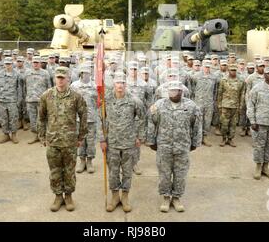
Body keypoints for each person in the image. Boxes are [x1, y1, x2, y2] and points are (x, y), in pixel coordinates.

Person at [38, 67, 88, 212]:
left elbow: (84, 116)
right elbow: (41, 118)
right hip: (53, 141)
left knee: (69, 171)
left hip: (70, 141)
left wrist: (81, 136)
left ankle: (69, 196)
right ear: (55, 79)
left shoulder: (76, 97)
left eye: (63, 77)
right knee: (55, 171)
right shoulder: (46, 96)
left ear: (68, 79)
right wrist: (42, 136)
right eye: (58, 77)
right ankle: (58, 196)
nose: (60, 80)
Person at [147, 81, 202, 213]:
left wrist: (195, 142)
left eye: (176, 91)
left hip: (182, 146)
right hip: (163, 145)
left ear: (181, 92)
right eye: (171, 91)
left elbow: (197, 125)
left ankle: (176, 197)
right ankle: (166, 197)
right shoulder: (158, 105)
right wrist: (151, 141)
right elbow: (151, 122)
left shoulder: (191, 106)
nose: (173, 93)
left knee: (180, 173)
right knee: (164, 173)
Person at [100, 72, 145, 213]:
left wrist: (139, 136)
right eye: (117, 82)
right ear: (113, 84)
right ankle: (114, 197)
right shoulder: (106, 100)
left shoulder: (134, 100)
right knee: (113, 172)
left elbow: (142, 118)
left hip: (128, 143)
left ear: (126, 84)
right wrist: (102, 139)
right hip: (112, 142)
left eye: (123, 82)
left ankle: (125, 197)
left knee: (127, 172)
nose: (120, 85)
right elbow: (100, 120)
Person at [71, 66, 98, 174]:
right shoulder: (74, 86)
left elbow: (97, 102)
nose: (86, 75)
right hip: (78, 118)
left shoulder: (94, 86)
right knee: (80, 141)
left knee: (91, 141)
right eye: (84, 73)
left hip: (91, 118)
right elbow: (71, 102)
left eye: (88, 73)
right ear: (80, 74)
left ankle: (90, 161)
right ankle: (82, 161)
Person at [24, 56, 51, 144]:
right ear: (32, 63)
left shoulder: (45, 73)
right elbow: (24, 86)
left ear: (40, 63)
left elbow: (49, 88)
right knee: (32, 119)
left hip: (41, 101)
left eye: (37, 62)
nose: (35, 64)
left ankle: (43, 136)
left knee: (42, 119)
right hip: (30, 100)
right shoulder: (27, 73)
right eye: (34, 62)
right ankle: (35, 136)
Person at [0, 57, 22, 144]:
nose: (7, 65)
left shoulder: (17, 74)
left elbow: (19, 88)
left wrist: (18, 100)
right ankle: (6, 134)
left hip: (12, 100)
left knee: (13, 118)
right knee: (3, 118)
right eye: (6, 64)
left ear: (12, 64)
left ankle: (13, 134)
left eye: (9, 64)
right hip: (2, 100)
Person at [217, 64, 245, 147]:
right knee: (224, 124)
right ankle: (223, 139)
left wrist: (241, 105)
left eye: (234, 70)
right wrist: (219, 105)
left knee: (233, 124)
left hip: (235, 106)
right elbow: (220, 93)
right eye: (231, 70)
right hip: (225, 106)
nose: (233, 72)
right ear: (228, 70)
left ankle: (230, 139)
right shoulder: (223, 80)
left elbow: (242, 94)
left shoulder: (241, 80)